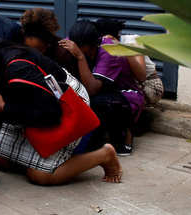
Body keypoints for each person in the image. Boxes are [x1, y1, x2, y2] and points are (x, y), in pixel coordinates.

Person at [0, 34, 122, 185]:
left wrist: (5, 108)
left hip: (67, 104)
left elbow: (52, 114)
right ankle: (38, 160)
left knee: (40, 175)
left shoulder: (18, 71)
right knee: (2, 160)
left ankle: (104, 155)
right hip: (27, 104)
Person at [60, 20, 144, 155]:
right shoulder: (78, 42)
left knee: (94, 103)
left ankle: (124, 135)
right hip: (103, 91)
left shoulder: (108, 51)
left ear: (91, 44)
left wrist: (80, 57)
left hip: (124, 96)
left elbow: (92, 89)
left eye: (81, 47)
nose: (76, 49)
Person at [20, 8, 78, 78]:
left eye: (38, 50)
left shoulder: (63, 54)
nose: (33, 54)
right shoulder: (18, 45)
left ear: (48, 44)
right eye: (28, 48)